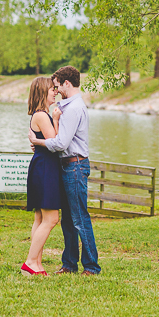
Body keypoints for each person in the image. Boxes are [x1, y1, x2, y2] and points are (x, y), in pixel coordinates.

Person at [28, 65, 101, 275]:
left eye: (58, 85)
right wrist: (40, 140)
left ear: (67, 83)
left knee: (79, 218)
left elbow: (60, 143)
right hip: (67, 166)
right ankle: (69, 264)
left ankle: (91, 266)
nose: (56, 89)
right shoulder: (66, 107)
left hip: (75, 165)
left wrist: (38, 142)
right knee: (68, 220)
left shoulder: (74, 108)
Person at [20, 76, 61, 276]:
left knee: (40, 218)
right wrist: (56, 119)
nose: (55, 92)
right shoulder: (43, 116)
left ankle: (36, 263)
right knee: (52, 218)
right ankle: (29, 262)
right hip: (46, 168)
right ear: (42, 92)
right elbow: (55, 143)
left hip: (42, 166)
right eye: (52, 89)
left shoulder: (39, 115)